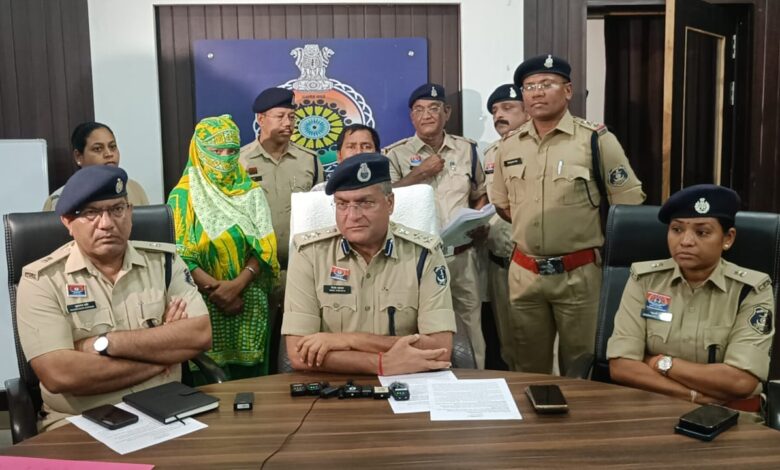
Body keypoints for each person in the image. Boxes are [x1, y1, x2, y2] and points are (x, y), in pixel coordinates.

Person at [17, 165, 211, 431]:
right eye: (91, 213)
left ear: (130, 212)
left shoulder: (165, 263)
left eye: (117, 209)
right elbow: (60, 374)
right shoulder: (41, 280)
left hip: (168, 408)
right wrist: (164, 357)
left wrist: (103, 343)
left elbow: (199, 334)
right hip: (81, 420)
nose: (107, 223)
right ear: (68, 222)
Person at [489, 55, 646, 374]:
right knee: (526, 367)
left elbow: (627, 206)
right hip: (525, 275)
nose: (536, 92)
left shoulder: (595, 140)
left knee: (581, 365)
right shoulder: (509, 146)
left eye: (546, 84)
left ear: (568, 90)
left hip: (578, 275)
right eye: (529, 86)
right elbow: (503, 205)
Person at [281, 153, 456, 375]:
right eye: (342, 204)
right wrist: (381, 364)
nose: (352, 215)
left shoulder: (424, 254)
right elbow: (298, 353)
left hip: (408, 381)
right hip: (332, 384)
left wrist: (348, 340)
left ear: (389, 203)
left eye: (365, 203)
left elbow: (439, 349)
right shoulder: (309, 254)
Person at [608, 185, 774, 410]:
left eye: (702, 232)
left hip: (729, 414)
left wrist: (660, 362)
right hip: (652, 408)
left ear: (728, 238)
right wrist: (692, 396)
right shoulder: (645, 280)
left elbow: (740, 381)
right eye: (676, 229)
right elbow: (622, 367)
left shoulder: (751, 290)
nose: (685, 241)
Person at [384, 83, 488, 368]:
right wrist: (419, 173)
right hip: (416, 259)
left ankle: (475, 380)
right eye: (419, 110)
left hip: (462, 255)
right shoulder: (395, 154)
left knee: (471, 325)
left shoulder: (468, 150)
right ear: (411, 117)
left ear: (447, 112)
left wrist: (480, 218)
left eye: (433, 108)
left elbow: (480, 193)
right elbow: (385, 199)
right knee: (420, 327)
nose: (426, 115)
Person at [168, 115, 279, 380]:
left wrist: (237, 286)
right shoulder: (182, 196)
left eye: (231, 151)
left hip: (249, 302)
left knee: (253, 387)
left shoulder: (250, 192)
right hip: (203, 303)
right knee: (208, 382)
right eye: (216, 151)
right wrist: (218, 292)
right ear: (199, 150)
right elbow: (180, 255)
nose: (225, 158)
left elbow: (264, 247)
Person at [239, 87, 323, 270]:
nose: (288, 123)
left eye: (292, 117)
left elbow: (319, 213)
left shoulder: (310, 161)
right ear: (261, 119)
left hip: (301, 265)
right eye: (280, 116)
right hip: (251, 268)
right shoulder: (240, 161)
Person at [483, 84, 529, 370]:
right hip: (500, 262)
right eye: (494, 110)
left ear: (527, 112)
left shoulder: (540, 148)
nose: (499, 115)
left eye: (508, 108)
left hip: (533, 261)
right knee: (509, 345)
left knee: (545, 345)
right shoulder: (490, 153)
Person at [43, 122, 150, 211]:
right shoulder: (59, 199)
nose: (109, 154)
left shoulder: (134, 189)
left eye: (112, 147)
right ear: (78, 156)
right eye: (98, 149)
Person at [311, 124, 381, 191]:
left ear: (378, 155)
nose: (358, 152)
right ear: (339, 156)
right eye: (351, 147)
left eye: (366, 147)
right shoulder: (320, 191)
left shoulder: (386, 190)